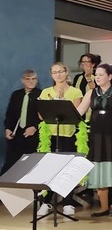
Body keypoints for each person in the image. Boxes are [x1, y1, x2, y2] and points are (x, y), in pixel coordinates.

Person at [75, 64, 112, 217]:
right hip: (97, 137)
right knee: (99, 171)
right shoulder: (91, 93)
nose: (97, 77)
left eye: (101, 74)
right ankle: (104, 206)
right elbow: (78, 112)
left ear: (110, 76)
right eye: (96, 74)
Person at [37, 63, 83, 216]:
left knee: (67, 171)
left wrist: (62, 101)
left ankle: (68, 202)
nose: (58, 75)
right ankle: (46, 201)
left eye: (61, 71)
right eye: (55, 72)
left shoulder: (75, 91)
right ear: (51, 75)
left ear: (66, 72)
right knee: (51, 171)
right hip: (51, 135)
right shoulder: (46, 92)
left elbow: (76, 113)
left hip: (68, 135)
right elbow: (41, 115)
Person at [2, 70, 41, 175]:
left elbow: (45, 117)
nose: (31, 81)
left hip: (34, 136)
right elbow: (9, 114)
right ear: (22, 81)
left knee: (31, 166)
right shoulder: (16, 95)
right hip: (17, 135)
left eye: (33, 79)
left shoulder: (41, 94)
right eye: (28, 79)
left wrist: (35, 127)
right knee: (10, 164)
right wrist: (8, 128)